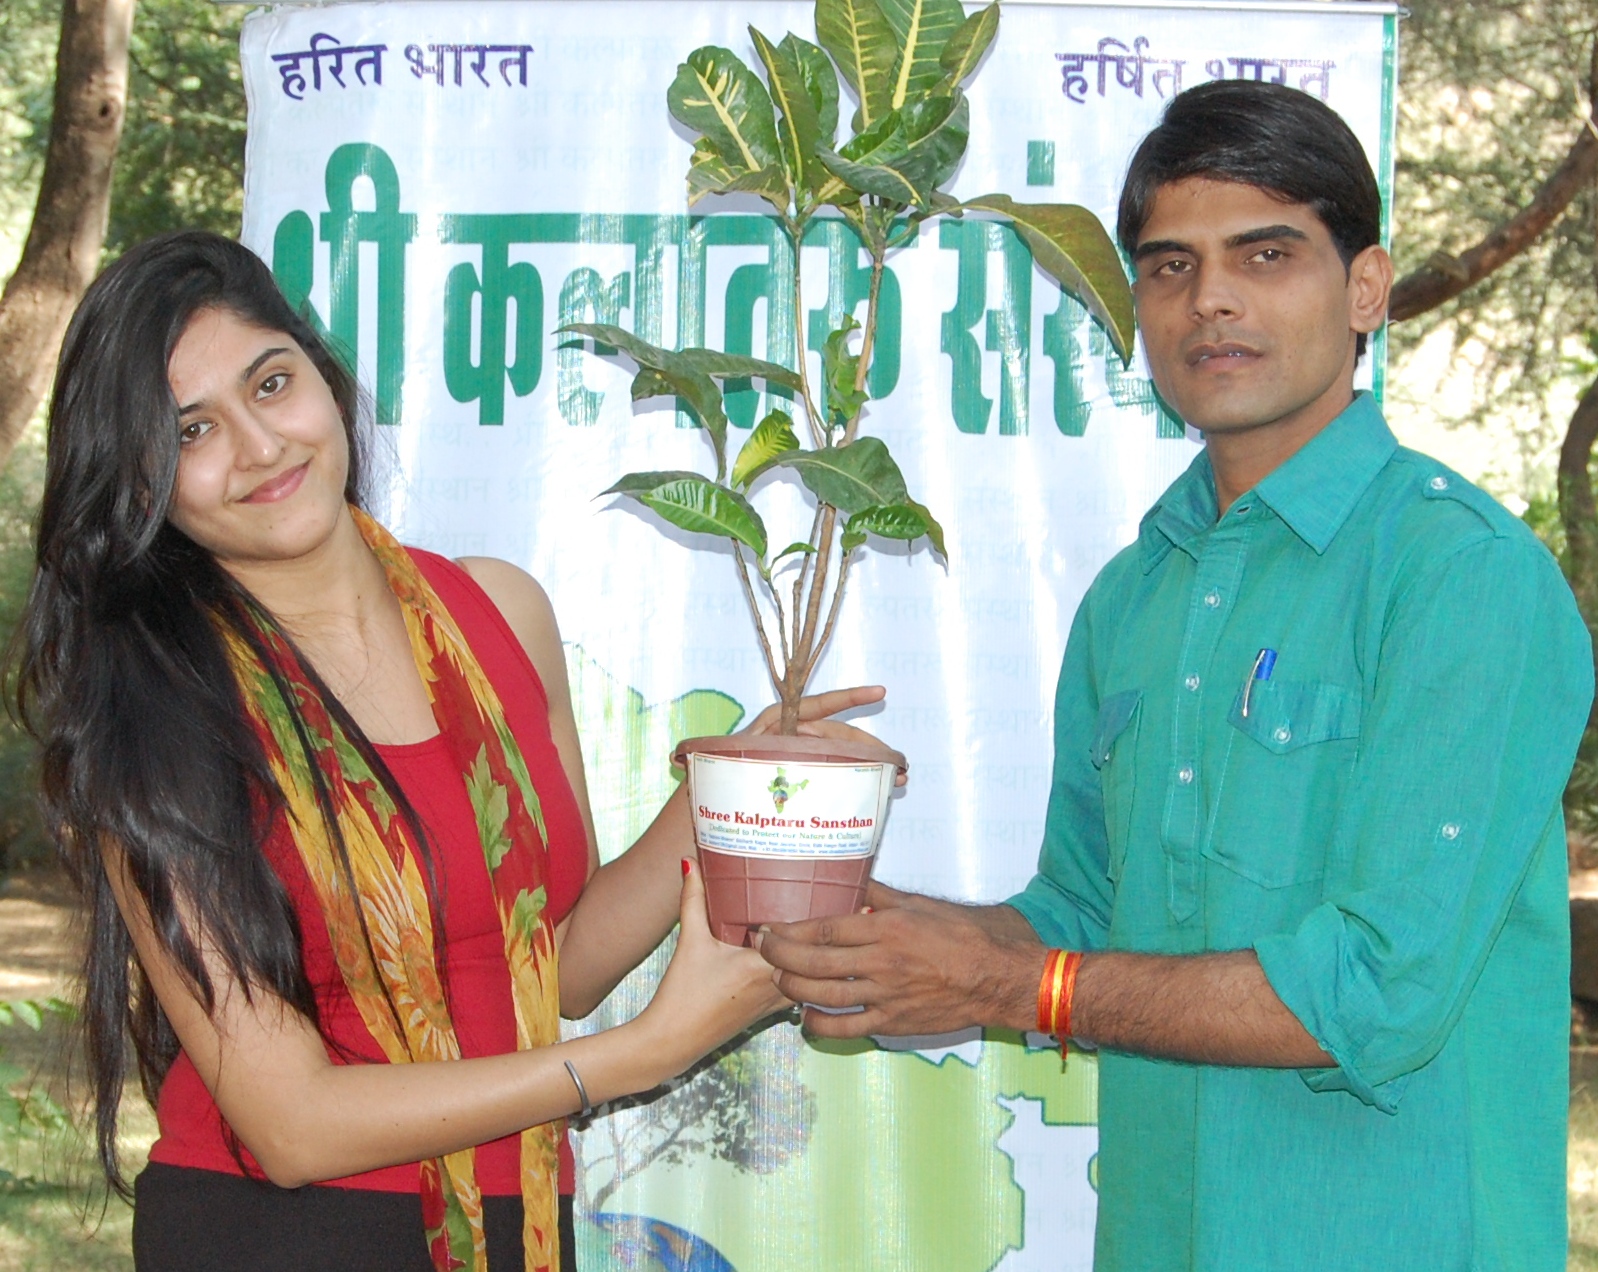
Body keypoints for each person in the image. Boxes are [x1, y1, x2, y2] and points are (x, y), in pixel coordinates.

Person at [758, 79, 1593, 1269]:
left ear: (1364, 288)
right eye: (1168, 267)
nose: (1210, 300)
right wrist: (891, 939)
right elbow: (1084, 917)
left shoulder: (1460, 575)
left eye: (1265, 254)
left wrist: (1009, 988)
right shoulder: (1133, 596)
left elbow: (1374, 989)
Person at [17, 230, 879, 1272]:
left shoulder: (498, 614)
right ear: (145, 482)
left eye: (271, 383)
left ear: (324, 379)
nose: (260, 446)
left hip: (521, 1218)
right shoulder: (152, 719)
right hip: (281, 1234)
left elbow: (552, 966)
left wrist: (723, 791)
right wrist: (642, 1053)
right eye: (192, 430)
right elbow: (291, 1127)